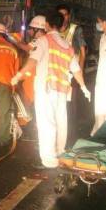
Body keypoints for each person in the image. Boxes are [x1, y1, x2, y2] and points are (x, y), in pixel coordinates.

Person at [11, 11, 90, 169]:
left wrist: (18, 75)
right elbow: (76, 70)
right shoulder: (67, 46)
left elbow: (33, 61)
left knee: (47, 123)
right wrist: (83, 87)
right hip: (62, 90)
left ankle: (49, 160)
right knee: (61, 122)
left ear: (47, 25)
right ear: (62, 26)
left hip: (46, 89)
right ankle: (60, 152)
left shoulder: (43, 40)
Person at [57, 4, 88, 144]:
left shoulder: (76, 29)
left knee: (71, 105)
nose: (63, 17)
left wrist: (79, 72)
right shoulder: (55, 30)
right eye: (60, 14)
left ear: (69, 15)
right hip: (58, 74)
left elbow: (82, 52)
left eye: (65, 14)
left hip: (71, 74)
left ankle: (72, 136)